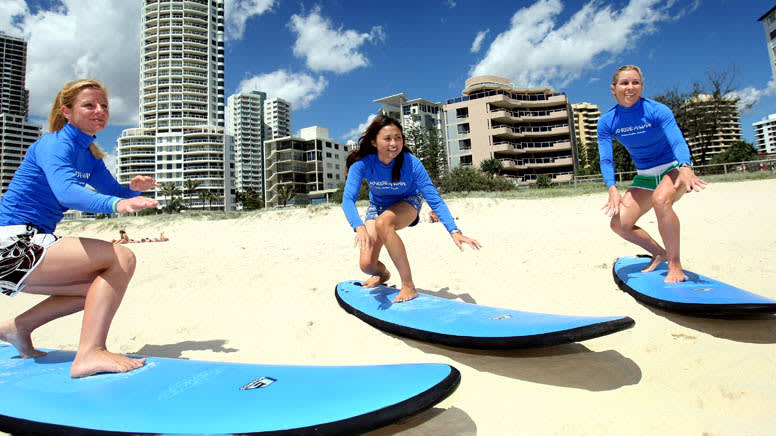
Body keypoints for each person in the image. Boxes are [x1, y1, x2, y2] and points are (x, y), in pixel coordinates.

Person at [0, 79, 159, 378]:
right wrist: (116, 204)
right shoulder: (54, 144)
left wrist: (129, 190)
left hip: (31, 242)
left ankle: (18, 327)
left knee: (98, 289)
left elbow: (112, 189)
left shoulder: (90, 155)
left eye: (104, 106)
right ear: (67, 112)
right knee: (121, 258)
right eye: (89, 105)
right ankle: (90, 353)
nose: (99, 111)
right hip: (10, 241)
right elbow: (67, 192)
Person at [342, 115, 481, 303]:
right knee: (367, 265)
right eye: (387, 138)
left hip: (408, 202)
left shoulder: (411, 163)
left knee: (384, 223)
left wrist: (454, 230)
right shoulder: (362, 165)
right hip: (377, 207)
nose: (394, 143)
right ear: (374, 142)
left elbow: (434, 198)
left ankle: (408, 285)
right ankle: (383, 275)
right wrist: (359, 227)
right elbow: (348, 200)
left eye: (398, 138)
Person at [597, 65, 707, 283]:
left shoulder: (657, 110)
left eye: (635, 82)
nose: (630, 87)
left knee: (660, 200)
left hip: (673, 168)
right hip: (645, 175)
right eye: (624, 83)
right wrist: (612, 188)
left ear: (641, 86)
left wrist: (685, 166)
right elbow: (606, 158)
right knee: (618, 224)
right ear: (613, 88)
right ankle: (659, 253)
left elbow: (677, 140)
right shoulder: (607, 121)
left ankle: (674, 264)